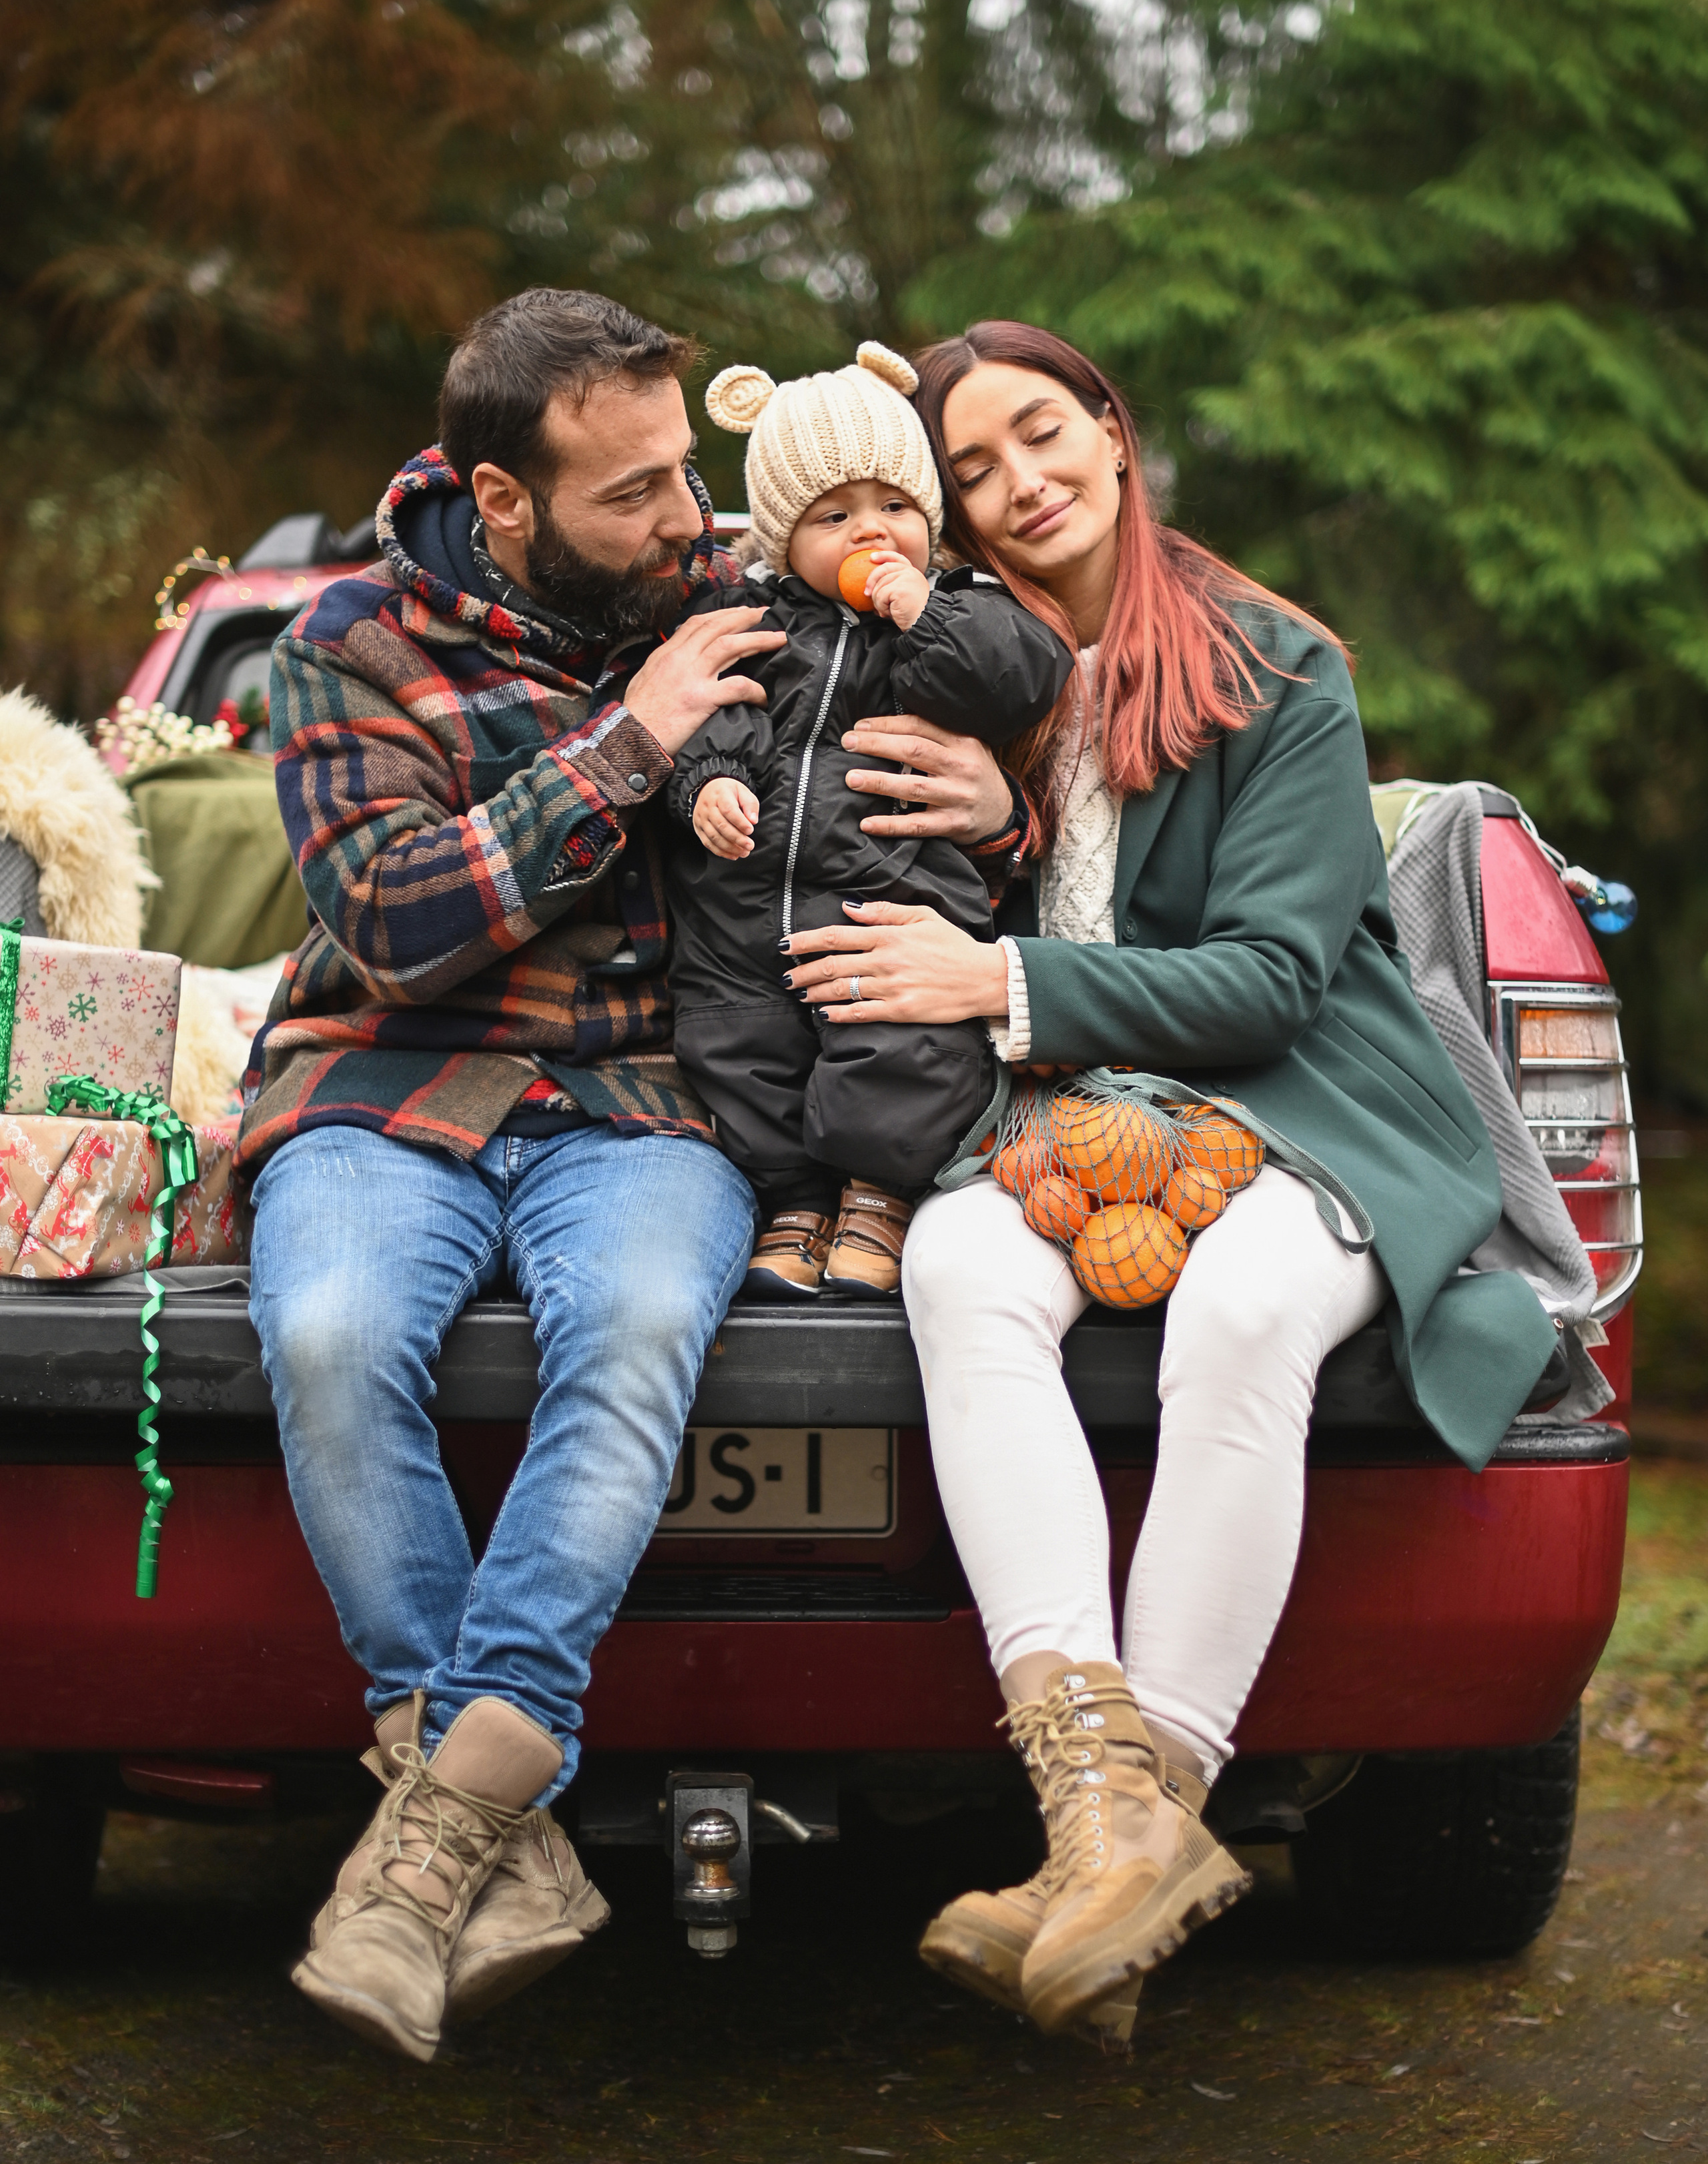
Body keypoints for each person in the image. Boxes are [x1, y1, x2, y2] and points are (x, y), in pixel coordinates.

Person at [778, 319, 1559, 2048]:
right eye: (970, 468)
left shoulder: (1274, 668)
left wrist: (994, 981)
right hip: (1079, 1122)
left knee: (1248, 1308)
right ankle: (1097, 1822)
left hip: (1313, 1103)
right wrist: (994, 825)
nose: (1017, 484)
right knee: (958, 1273)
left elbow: (1276, 981)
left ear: (1115, 433)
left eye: (1042, 433)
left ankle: (1158, 1813)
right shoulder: (960, 675)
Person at [238, 288, 787, 2065]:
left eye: (684, 470)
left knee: (630, 1324)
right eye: (633, 493)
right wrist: (629, 744)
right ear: (502, 498)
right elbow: (392, 925)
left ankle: (440, 1826)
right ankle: (509, 1838)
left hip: (647, 1099)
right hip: (388, 1074)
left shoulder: (733, 593)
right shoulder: (346, 642)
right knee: (326, 1332)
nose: (683, 517)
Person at [667, 343, 1073, 1301]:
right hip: (746, 917)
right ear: (779, 535)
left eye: (896, 508)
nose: (872, 533)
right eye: (834, 515)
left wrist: (922, 612)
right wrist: (711, 781)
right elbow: (706, 710)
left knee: (902, 1048)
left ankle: (878, 1198)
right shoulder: (749, 618)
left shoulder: (961, 613)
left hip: (889, 901)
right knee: (738, 1047)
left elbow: (1017, 679)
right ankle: (797, 1206)